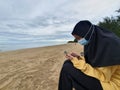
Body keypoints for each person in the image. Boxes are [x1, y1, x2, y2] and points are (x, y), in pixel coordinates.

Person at [58, 20, 120, 90]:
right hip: (102, 79)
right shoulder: (95, 41)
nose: (78, 41)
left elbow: (103, 77)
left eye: (78, 38)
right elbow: (95, 62)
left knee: (67, 68)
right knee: (68, 63)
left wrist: (77, 62)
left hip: (112, 84)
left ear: (86, 34)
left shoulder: (109, 45)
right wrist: (79, 58)